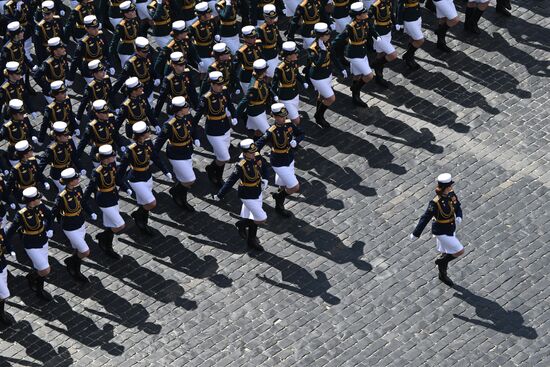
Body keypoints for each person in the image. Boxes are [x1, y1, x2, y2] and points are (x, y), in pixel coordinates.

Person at [213, 138, 269, 251]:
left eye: (254, 151)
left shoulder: (256, 156)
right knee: (261, 218)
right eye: (250, 152)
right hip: (247, 194)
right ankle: (243, 225)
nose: (253, 154)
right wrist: (220, 194)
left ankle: (250, 238)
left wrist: (266, 179)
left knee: (252, 216)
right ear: (244, 153)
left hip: (257, 190)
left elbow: (264, 167)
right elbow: (230, 181)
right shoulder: (241, 166)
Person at [117, 121, 171, 234]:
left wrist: (165, 171)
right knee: (151, 203)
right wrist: (119, 183)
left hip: (147, 176)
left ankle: (142, 222)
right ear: (141, 135)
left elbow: (156, 158)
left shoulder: (148, 143)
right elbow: (122, 168)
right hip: (136, 179)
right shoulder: (130, 150)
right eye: (147, 131)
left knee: (144, 203)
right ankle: (138, 216)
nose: (149, 132)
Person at [410, 173, 464, 287]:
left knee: (445, 252)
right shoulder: (435, 203)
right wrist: (416, 233)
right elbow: (425, 218)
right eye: (449, 187)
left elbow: (457, 205)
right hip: (441, 231)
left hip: (450, 228)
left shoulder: (451, 194)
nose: (451, 188)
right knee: (459, 251)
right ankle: (442, 261)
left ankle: (442, 275)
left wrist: (459, 215)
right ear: (443, 188)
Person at [5, 186, 54, 301]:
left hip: (43, 240)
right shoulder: (21, 214)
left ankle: (39, 289)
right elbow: (11, 231)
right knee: (46, 269)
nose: (40, 199)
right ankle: (32, 277)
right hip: (31, 244)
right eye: (38, 198)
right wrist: (5, 243)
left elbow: (50, 216)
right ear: (32, 201)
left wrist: (49, 228)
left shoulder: (40, 206)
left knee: (40, 268)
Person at [255, 103, 303, 217]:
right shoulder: (271, 131)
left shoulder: (289, 124)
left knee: (283, 186)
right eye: (280, 116)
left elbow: (301, 133)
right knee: (294, 187)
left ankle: (279, 206)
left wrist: (296, 141)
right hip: (278, 162)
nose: (283, 118)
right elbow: (257, 146)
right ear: (274, 117)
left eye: (284, 116)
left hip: (289, 158)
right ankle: (279, 198)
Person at [153, 96, 200, 211]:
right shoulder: (169, 124)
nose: (188, 107)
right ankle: (176, 192)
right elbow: (159, 141)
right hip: (176, 154)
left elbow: (192, 128)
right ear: (179, 110)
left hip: (187, 151)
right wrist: (152, 156)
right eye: (185, 107)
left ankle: (180, 197)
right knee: (190, 179)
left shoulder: (187, 116)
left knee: (185, 179)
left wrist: (196, 137)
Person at [192, 71, 237, 186]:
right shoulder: (206, 98)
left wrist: (234, 115)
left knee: (220, 156)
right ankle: (211, 169)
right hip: (213, 130)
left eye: (222, 84)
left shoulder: (224, 90)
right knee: (225, 157)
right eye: (218, 84)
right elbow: (197, 117)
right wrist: (193, 134)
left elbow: (230, 104)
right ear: (211, 84)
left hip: (225, 128)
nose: (221, 86)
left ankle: (218, 177)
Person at [83, 144, 129, 259]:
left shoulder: (112, 165)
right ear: (106, 158)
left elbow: (117, 178)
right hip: (104, 199)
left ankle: (107, 247)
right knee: (120, 225)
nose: (115, 157)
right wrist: (83, 201)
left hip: (113, 196)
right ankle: (103, 237)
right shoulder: (97, 171)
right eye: (113, 156)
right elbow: (90, 187)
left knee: (111, 224)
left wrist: (125, 187)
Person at [51, 168, 95, 282]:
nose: (78, 179)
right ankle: (72, 263)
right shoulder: (61, 197)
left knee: (78, 249)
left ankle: (75, 269)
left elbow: (83, 202)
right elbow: (53, 213)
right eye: (76, 178)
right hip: (70, 227)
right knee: (85, 251)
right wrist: (48, 228)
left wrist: (90, 212)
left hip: (80, 222)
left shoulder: (78, 189)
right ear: (70, 181)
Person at [332, 2, 375, 107]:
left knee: (357, 75)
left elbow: (370, 30)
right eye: (364, 13)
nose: (366, 13)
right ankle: (356, 89)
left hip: (362, 51)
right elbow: (340, 38)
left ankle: (355, 96)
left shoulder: (364, 21)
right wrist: (330, 47)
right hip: (354, 54)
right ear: (358, 16)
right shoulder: (351, 26)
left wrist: (376, 37)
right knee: (369, 75)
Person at [76, 99, 126, 168]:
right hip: (99, 152)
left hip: (112, 148)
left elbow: (114, 133)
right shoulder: (92, 126)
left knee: (112, 167)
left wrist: (121, 145)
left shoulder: (111, 118)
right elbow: (84, 142)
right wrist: (76, 156)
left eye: (107, 111)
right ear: (97, 113)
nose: (107, 114)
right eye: (104, 113)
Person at [38, 121, 84, 192]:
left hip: (69, 170)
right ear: (58, 137)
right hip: (58, 174)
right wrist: (43, 181)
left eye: (67, 134)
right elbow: (41, 166)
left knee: (74, 189)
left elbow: (74, 156)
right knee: (64, 191)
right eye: (65, 135)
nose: (67, 136)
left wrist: (80, 168)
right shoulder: (51, 149)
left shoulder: (69, 140)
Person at [67, 15, 114, 86]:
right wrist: (70, 78)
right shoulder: (83, 43)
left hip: (101, 65)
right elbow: (76, 60)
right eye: (93, 28)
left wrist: (111, 65)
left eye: (97, 27)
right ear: (86, 28)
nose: (96, 30)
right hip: (89, 70)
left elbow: (106, 51)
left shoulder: (101, 35)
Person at [112, 37, 160, 104]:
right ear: (137, 50)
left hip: (149, 86)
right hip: (137, 89)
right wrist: (111, 93)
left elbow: (151, 68)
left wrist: (156, 77)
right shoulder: (130, 63)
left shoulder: (148, 55)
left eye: (147, 51)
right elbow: (121, 79)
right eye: (143, 52)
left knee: (150, 104)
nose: (146, 53)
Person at [308, 22, 337, 129]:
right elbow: (317, 64)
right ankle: (319, 115)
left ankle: (318, 113)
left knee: (322, 96)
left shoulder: (327, 43)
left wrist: (341, 68)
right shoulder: (312, 49)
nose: (329, 36)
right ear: (320, 36)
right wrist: (323, 52)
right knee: (331, 98)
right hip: (318, 76)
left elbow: (333, 56)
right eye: (327, 34)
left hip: (327, 73)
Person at [272, 41, 307, 126]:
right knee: (296, 120)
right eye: (295, 54)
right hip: (285, 96)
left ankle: (286, 128)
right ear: (289, 56)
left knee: (292, 115)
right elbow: (274, 84)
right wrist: (274, 95)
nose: (297, 55)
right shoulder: (280, 68)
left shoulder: (293, 62)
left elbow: (296, 74)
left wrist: (303, 82)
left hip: (295, 93)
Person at [6, 140, 51, 207]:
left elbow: (38, 173)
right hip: (23, 194)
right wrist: (9, 201)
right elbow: (9, 185)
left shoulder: (32, 161)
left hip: (34, 191)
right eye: (30, 151)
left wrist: (44, 182)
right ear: (25, 155)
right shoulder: (16, 169)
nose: (32, 152)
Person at [237, 59, 274, 137]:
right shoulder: (254, 87)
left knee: (258, 131)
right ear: (262, 71)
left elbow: (267, 89)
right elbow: (244, 102)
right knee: (269, 133)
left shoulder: (260, 78)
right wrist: (236, 116)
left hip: (261, 109)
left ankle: (255, 144)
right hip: (255, 112)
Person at [155, 51, 199, 117]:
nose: (183, 66)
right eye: (180, 65)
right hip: (174, 108)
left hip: (185, 104)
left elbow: (192, 91)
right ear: (174, 65)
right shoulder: (168, 79)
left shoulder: (187, 73)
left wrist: (196, 107)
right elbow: (162, 97)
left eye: (184, 64)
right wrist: (156, 114)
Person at [1, 99, 38, 169]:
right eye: (21, 113)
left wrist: (33, 135)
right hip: (14, 152)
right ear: (14, 114)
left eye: (23, 112)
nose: (23, 115)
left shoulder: (25, 118)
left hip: (26, 149)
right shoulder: (7, 127)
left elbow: (30, 128)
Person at [369, 0, 397, 88]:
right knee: (392, 54)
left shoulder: (388, 2)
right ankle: (377, 64)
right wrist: (373, 32)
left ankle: (379, 77)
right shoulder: (375, 6)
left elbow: (391, 13)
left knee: (381, 54)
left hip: (387, 31)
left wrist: (395, 23)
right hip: (379, 34)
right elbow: (366, 20)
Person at [109, 1, 141, 68]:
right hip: (125, 50)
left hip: (135, 47)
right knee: (126, 68)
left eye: (134, 10)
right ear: (126, 14)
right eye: (132, 11)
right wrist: (110, 57)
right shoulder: (121, 26)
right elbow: (115, 41)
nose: (134, 12)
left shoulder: (135, 20)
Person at [190, 2, 217, 76]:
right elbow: (187, 39)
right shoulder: (194, 27)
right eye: (207, 13)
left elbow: (215, 29)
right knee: (207, 72)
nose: (209, 15)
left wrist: (217, 35)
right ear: (201, 16)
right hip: (202, 52)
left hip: (212, 48)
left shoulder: (211, 20)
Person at [396, 0, 424, 70]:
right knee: (420, 40)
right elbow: (400, 7)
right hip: (409, 18)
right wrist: (400, 23)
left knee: (413, 38)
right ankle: (408, 56)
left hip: (417, 14)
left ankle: (410, 57)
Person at [257, 4, 282, 80]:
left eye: (273, 18)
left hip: (275, 54)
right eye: (269, 18)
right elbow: (259, 47)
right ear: (264, 16)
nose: (271, 20)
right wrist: (264, 59)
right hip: (267, 56)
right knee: (274, 75)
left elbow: (279, 39)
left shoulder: (274, 26)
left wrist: (282, 51)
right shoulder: (260, 29)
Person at [236, 25, 262, 94]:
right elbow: (235, 67)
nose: (254, 39)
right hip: (247, 76)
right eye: (252, 37)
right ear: (245, 38)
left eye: (255, 36)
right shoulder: (241, 51)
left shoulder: (258, 43)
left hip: (259, 73)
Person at [0, 222, 14, 325]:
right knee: (5, 294)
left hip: (2, 263)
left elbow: (6, 242)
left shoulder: (0, 231)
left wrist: (11, 250)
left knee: (2, 293)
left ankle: (1, 314)